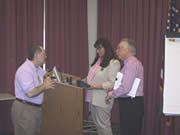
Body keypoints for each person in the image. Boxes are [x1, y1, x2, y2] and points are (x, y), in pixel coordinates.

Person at [11, 45, 55, 135]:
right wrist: (44, 86)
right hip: (25, 109)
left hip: (34, 109)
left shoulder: (37, 69)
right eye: (44, 54)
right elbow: (30, 93)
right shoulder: (25, 70)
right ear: (36, 55)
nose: (46, 57)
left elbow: (48, 75)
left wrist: (53, 75)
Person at [106, 38, 144, 135]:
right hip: (131, 103)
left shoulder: (131, 64)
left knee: (128, 131)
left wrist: (111, 94)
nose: (116, 50)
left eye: (119, 48)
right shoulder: (130, 63)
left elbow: (125, 88)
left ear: (128, 50)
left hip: (131, 104)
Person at [85, 39, 120, 135]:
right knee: (97, 125)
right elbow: (91, 77)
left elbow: (112, 83)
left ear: (107, 48)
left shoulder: (113, 63)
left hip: (103, 99)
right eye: (96, 49)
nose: (97, 51)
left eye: (100, 48)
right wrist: (82, 81)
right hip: (93, 98)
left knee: (104, 126)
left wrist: (96, 86)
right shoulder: (98, 62)